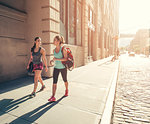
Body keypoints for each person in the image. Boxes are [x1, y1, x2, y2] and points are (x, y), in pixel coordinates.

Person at [48, 35, 69, 102]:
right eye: (54, 40)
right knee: (54, 82)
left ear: (59, 41)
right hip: (56, 67)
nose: (54, 41)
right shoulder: (54, 50)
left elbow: (65, 59)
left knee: (65, 80)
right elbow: (55, 59)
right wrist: (52, 61)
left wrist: (56, 59)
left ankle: (66, 90)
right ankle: (53, 96)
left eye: (56, 40)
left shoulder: (63, 49)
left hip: (63, 68)